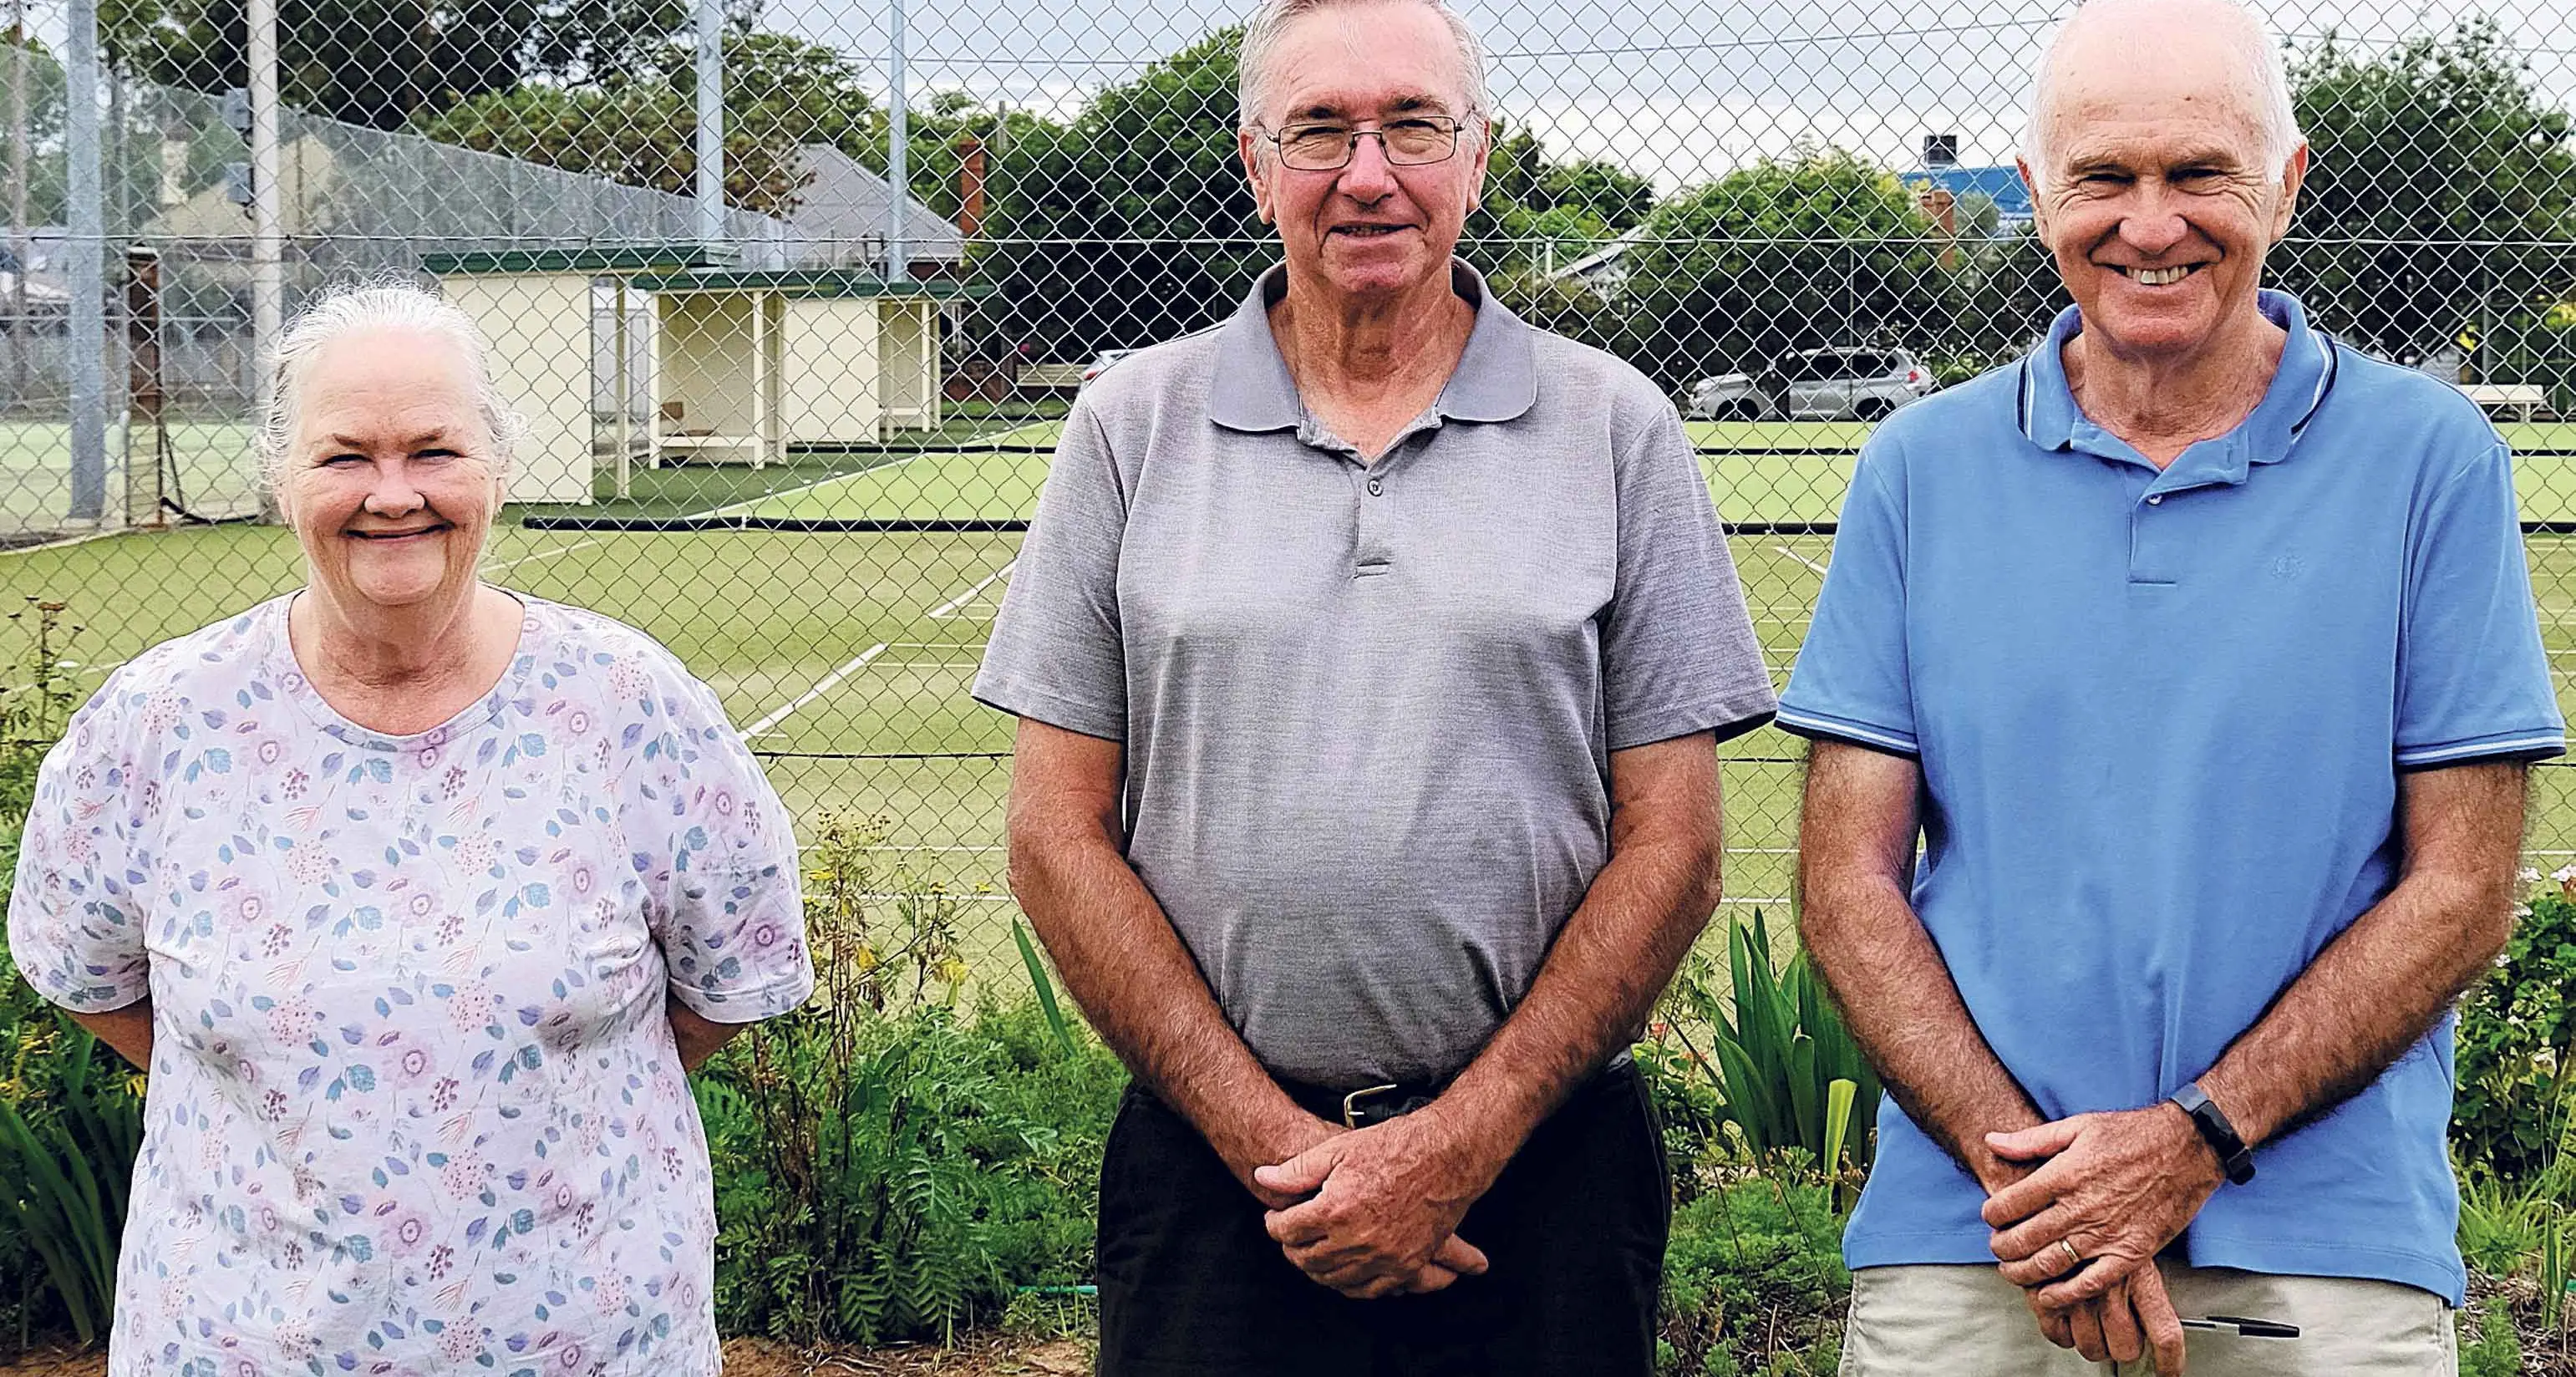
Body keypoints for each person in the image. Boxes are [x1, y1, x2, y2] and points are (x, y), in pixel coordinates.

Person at [972, 0, 1776, 1370]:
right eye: (1319, 132)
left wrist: (1456, 1144)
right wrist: (1273, 1143)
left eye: (1412, 126)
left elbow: (1677, 845)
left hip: (1544, 1179)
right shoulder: (1126, 429)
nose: (1367, 173)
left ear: (1477, 157)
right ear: (1251, 162)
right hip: (1218, 1188)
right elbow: (1055, 838)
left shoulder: (1615, 428)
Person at [1779, 1, 2563, 1373]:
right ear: (2033, 197)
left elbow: (2462, 889)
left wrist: (2194, 1140)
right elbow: (1847, 883)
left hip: (2325, 1247)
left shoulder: (2431, 464)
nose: (2150, 225)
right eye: (2103, 177)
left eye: (2199, 173)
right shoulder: (1917, 471)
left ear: (2286, 181)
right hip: (1975, 1236)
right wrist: (2043, 1192)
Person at [6, 282, 813, 1375]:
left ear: (497, 468)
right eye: (344, 456)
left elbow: (726, 988)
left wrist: (533, 1085)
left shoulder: (635, 708)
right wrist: (275, 1088)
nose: (392, 495)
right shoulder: (157, 726)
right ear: (281, 478)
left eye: (433, 450)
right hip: (240, 1345)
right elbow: (87, 978)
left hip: (584, 1344)